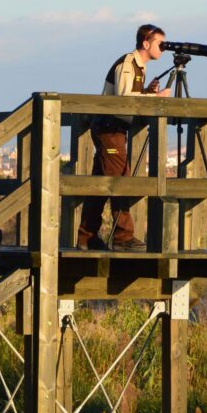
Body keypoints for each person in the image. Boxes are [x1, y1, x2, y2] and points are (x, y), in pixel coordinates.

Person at [77, 24, 172, 251]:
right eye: (161, 43)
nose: (164, 48)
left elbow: (131, 96)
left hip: (112, 129)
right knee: (120, 180)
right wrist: (156, 98)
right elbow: (123, 101)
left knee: (101, 185)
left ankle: (86, 237)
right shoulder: (129, 65)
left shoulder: (137, 66)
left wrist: (148, 93)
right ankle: (122, 237)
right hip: (110, 128)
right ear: (146, 43)